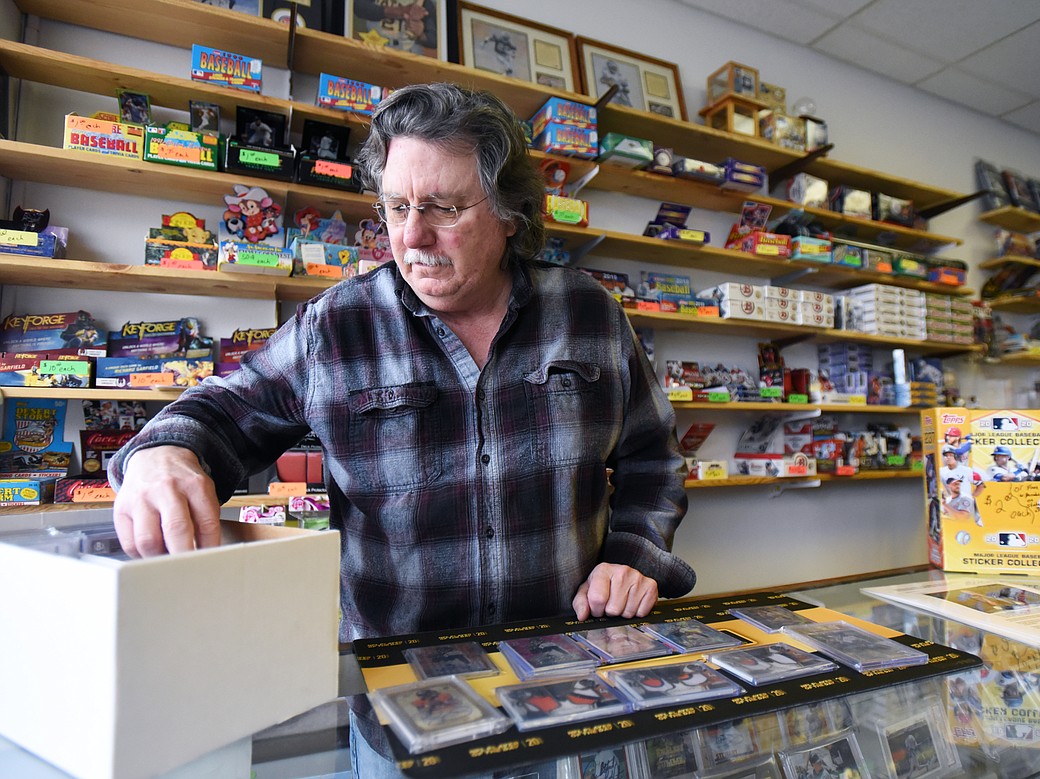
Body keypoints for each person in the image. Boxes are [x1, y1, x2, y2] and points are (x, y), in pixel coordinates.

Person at [109, 83, 694, 773]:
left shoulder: (591, 314)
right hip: (403, 710)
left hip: (561, 687)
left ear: (509, 212)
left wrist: (634, 553)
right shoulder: (337, 326)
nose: (412, 235)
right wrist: (165, 452)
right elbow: (219, 412)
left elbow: (654, 457)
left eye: (443, 208)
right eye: (396, 206)